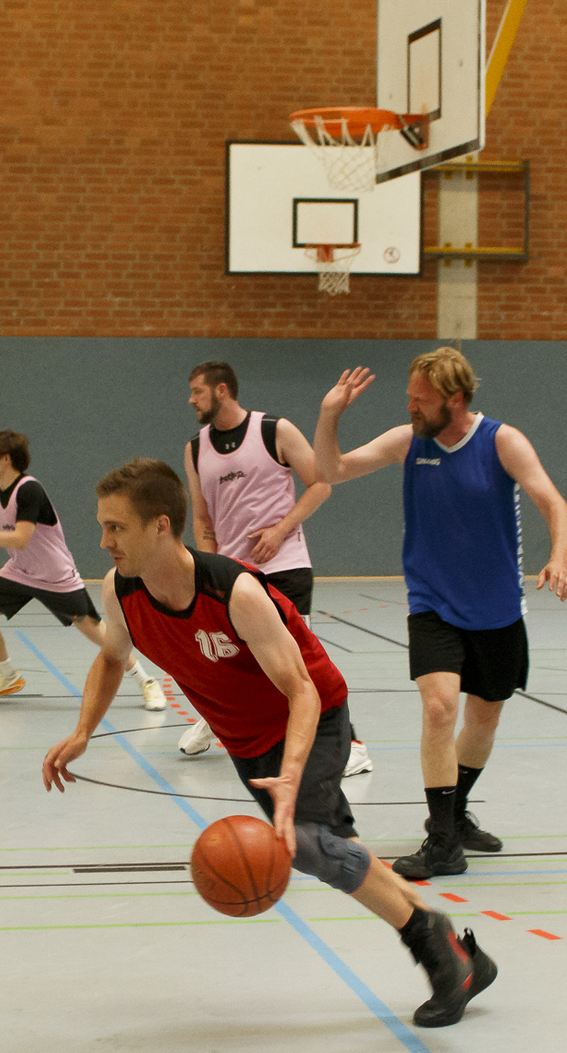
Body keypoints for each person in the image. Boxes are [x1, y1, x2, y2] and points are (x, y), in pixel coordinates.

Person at [43, 458, 496, 1028]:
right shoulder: (121, 589)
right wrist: (84, 731)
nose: (103, 540)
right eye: (103, 526)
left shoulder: (234, 591)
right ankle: (459, 952)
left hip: (311, 714)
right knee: (333, 849)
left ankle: (441, 957)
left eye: (116, 527)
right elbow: (112, 658)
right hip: (245, 740)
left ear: (160, 525)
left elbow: (302, 690)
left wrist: (292, 773)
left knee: (312, 844)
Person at [314, 348, 567, 879]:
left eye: (419, 399)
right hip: (432, 604)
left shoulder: (502, 441)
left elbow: (552, 501)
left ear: (453, 400)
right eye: (409, 397)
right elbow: (330, 470)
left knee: (483, 719)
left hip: (497, 607)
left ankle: (453, 815)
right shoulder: (409, 443)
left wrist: (560, 553)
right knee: (438, 709)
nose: (409, 407)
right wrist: (330, 413)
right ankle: (443, 843)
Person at [182, 361, 372, 777]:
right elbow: (201, 517)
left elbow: (321, 481)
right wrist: (209, 563)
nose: (191, 399)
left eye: (197, 391)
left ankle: (352, 744)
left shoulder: (274, 430)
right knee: (229, 657)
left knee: (298, 663)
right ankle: (216, 721)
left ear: (222, 391)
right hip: (232, 575)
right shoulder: (196, 447)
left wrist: (280, 530)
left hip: (285, 566)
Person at [0, 430, 166, 710]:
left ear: (6, 459)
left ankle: (147, 682)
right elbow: (19, 547)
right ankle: (7, 676)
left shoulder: (29, 489)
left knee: (99, 633)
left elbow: (21, 538)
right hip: (21, 570)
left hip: (55, 576)